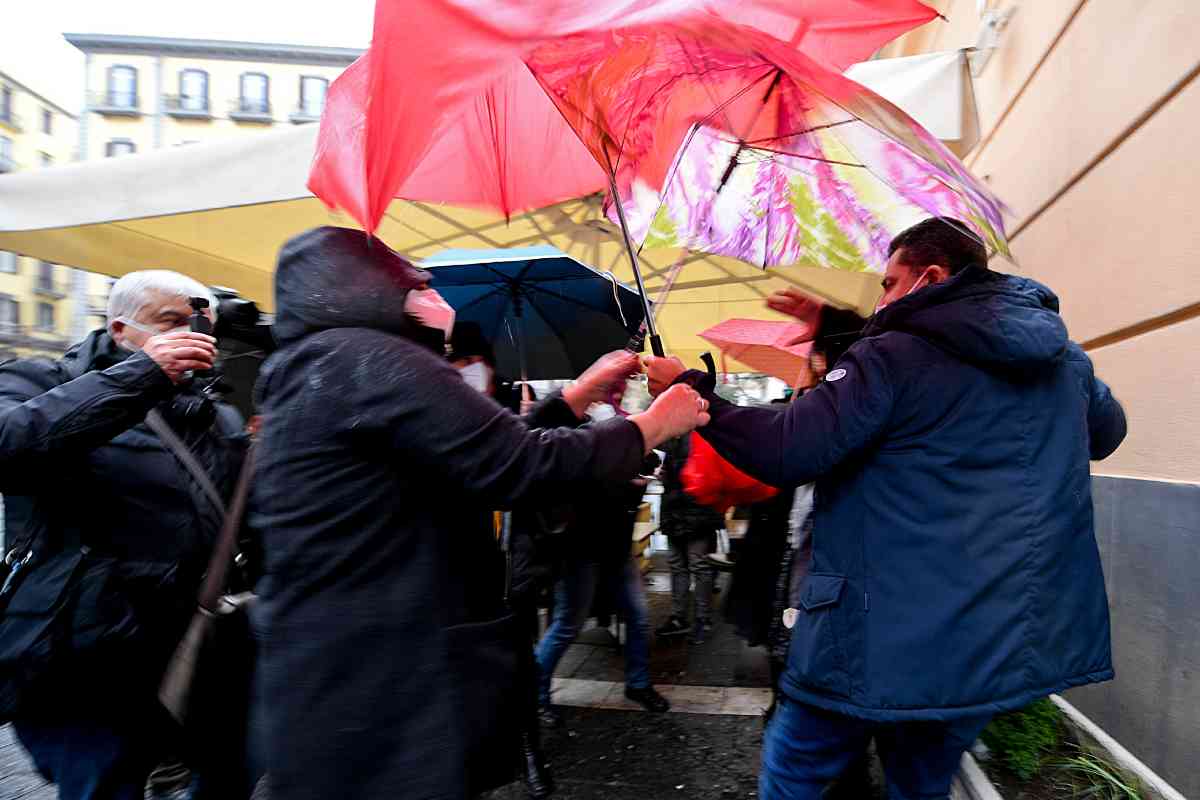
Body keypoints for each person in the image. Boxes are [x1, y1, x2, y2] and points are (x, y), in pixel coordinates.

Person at [645, 217, 1127, 800]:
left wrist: (696, 396)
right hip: (983, 640)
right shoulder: (1062, 359)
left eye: (889, 284)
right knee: (921, 783)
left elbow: (788, 447)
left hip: (880, 632)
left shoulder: (891, 355)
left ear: (929, 277)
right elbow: (1107, 431)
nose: (882, 300)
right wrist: (834, 327)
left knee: (795, 771)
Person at [251, 227, 709, 800]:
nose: (441, 300)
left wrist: (572, 399)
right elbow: (519, 467)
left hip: (335, 677)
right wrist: (653, 424)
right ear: (370, 290)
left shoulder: (315, 365)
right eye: (420, 285)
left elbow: (479, 453)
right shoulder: (376, 358)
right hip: (392, 682)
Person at [0, 270, 253, 800]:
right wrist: (143, 375)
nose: (194, 335)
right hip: (86, 652)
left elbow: (245, 517)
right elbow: (11, 447)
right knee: (105, 783)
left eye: (200, 322)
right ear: (120, 328)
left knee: (233, 769)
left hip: (196, 646)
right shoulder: (39, 380)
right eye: (172, 322)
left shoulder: (216, 412)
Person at [534, 384, 671, 723]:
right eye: (614, 387)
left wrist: (639, 476)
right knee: (568, 624)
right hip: (580, 548)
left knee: (637, 617)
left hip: (615, 545)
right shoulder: (570, 430)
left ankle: (637, 684)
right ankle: (533, 695)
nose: (620, 392)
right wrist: (629, 480)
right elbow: (584, 482)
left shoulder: (618, 424)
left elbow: (642, 460)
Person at [654, 433, 724, 644]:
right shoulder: (677, 434)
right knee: (685, 566)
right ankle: (684, 618)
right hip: (680, 509)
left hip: (694, 510)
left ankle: (698, 619)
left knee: (695, 566)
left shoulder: (698, 435)